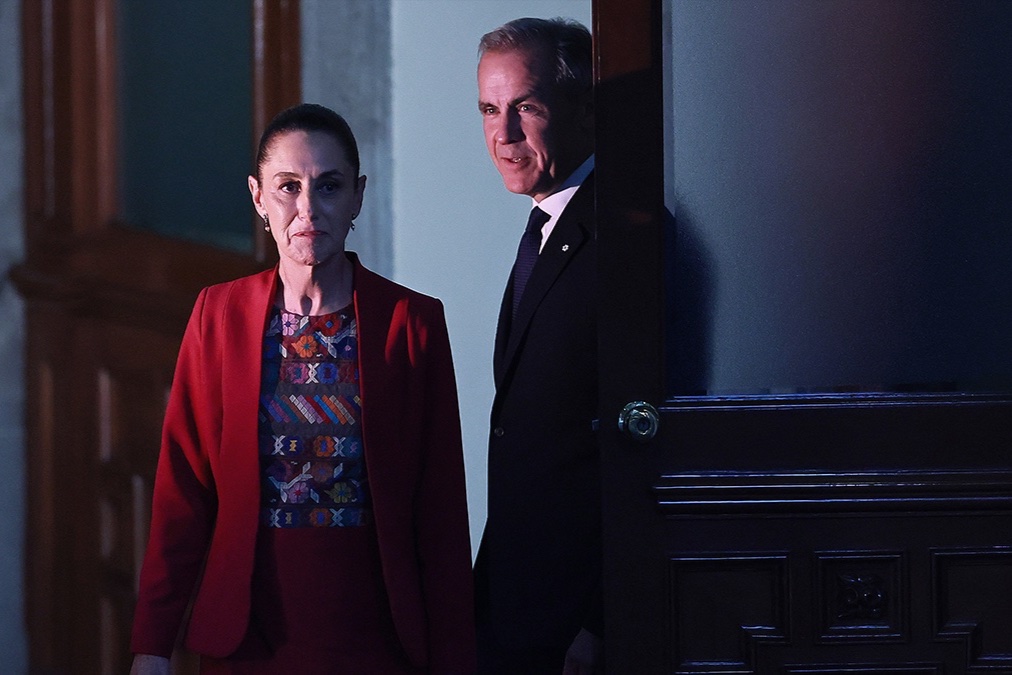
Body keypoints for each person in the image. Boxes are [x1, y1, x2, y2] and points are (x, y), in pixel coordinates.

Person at [129, 103, 476, 674]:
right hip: (245, 640)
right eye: (288, 186)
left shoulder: (410, 323)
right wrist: (152, 644)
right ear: (258, 197)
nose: (308, 208)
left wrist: (456, 659)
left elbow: (439, 512)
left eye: (329, 186)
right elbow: (182, 493)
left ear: (358, 197)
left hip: (374, 641)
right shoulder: (218, 315)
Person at [472, 17, 600, 675]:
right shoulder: (545, 228)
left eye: (525, 107)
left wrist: (600, 622)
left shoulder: (623, 238)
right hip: (514, 603)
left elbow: (638, 445)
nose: (504, 134)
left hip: (574, 625)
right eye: (489, 110)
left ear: (581, 106)